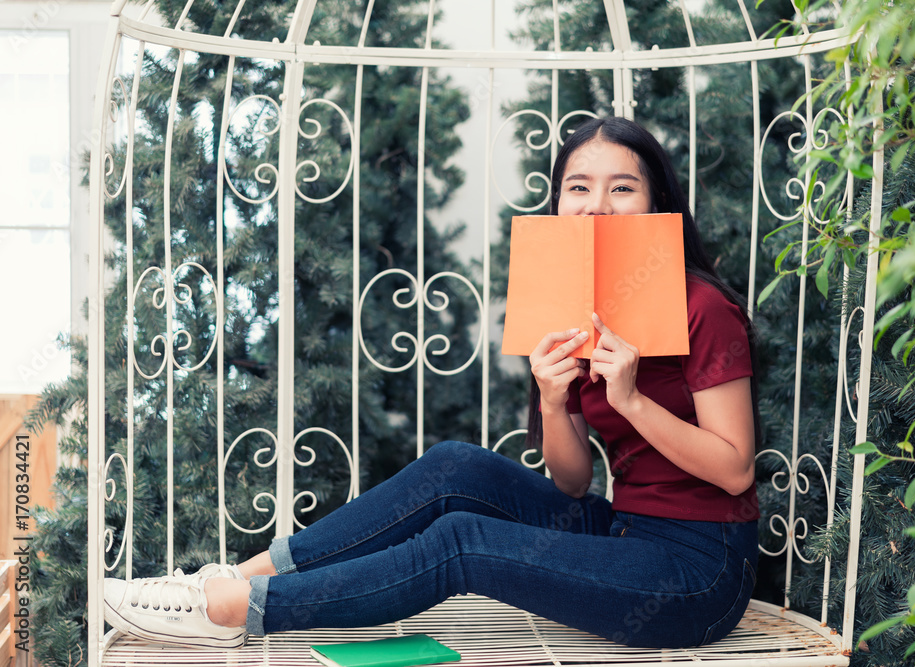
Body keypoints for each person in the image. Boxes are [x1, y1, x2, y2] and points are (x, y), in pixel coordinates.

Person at [103, 116, 761, 650]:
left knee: (461, 543)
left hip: (698, 571)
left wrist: (632, 401)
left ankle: (232, 609)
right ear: (558, 201)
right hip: (622, 528)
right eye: (579, 187)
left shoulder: (701, 305)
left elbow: (734, 472)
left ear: (655, 202)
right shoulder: (570, 303)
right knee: (453, 467)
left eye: (623, 188)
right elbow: (571, 483)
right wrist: (556, 398)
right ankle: (232, 575)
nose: (597, 206)